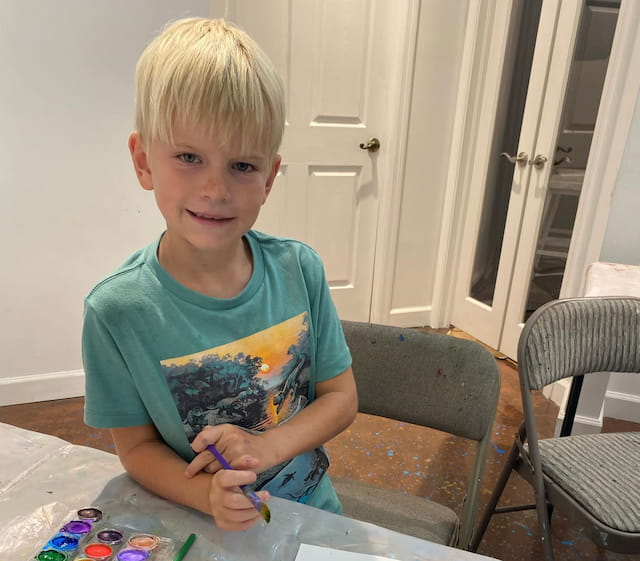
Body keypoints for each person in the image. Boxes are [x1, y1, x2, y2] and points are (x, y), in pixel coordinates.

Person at [82, 17, 358, 531]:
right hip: (201, 527)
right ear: (144, 162)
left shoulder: (300, 268)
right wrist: (208, 495)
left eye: (242, 166)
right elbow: (138, 448)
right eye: (189, 156)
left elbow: (341, 398)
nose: (215, 189)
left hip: (314, 515)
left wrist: (264, 445)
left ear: (270, 177)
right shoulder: (116, 311)